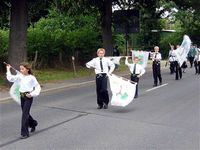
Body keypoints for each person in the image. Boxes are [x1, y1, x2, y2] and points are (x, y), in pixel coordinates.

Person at [6, 62, 41, 139]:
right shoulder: (19, 76)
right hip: (22, 97)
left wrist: (32, 94)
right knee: (26, 113)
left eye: (22, 69)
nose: (21, 70)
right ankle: (33, 124)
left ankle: (24, 133)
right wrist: (8, 69)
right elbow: (10, 78)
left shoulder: (32, 77)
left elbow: (38, 87)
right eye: (20, 69)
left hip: (28, 97)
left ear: (27, 69)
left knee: (24, 114)